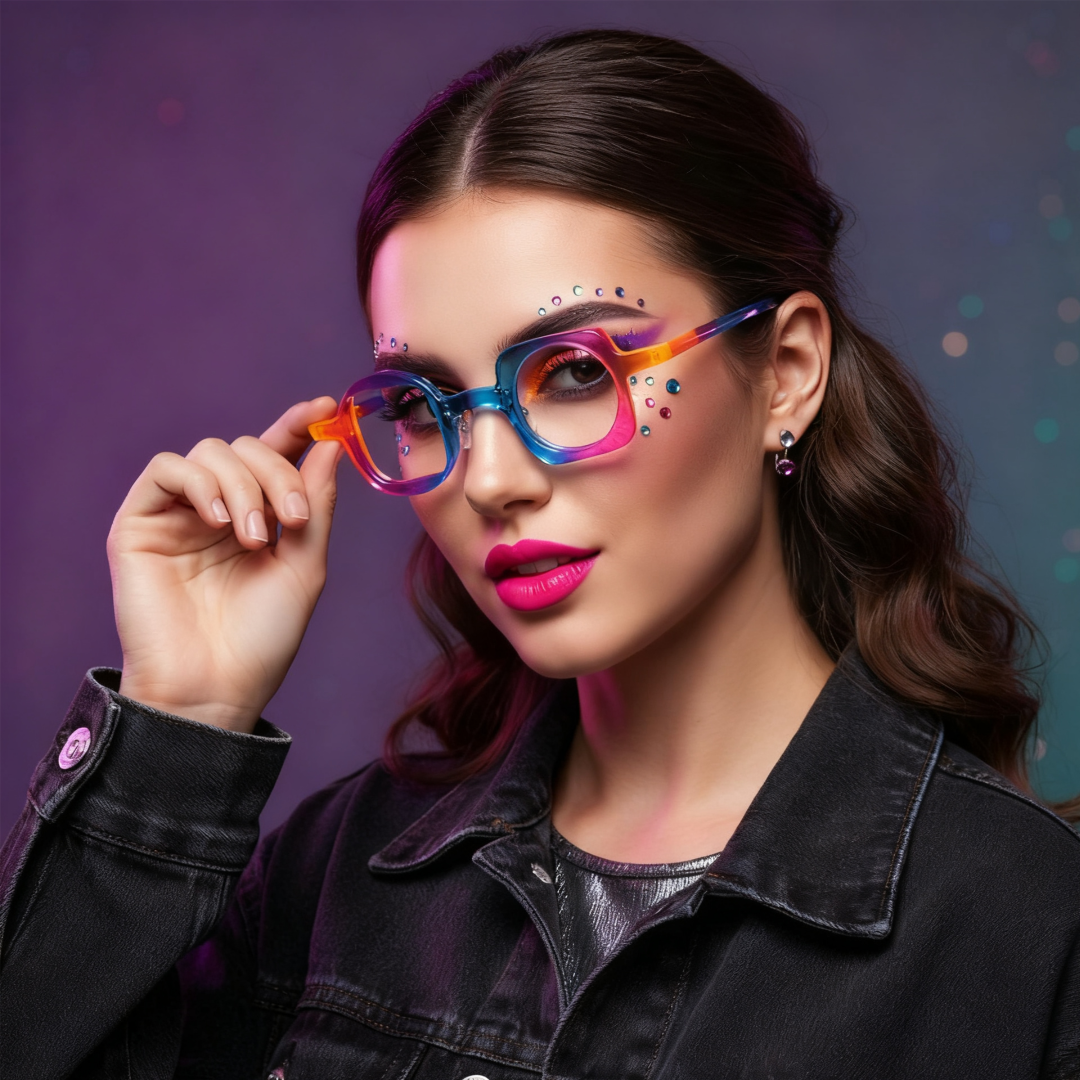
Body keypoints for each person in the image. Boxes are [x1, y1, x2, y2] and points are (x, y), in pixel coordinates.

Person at [2, 29, 1078, 1080]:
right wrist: (178, 722)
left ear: (787, 371)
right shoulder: (330, 880)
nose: (488, 480)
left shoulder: (1028, 933)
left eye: (573, 375)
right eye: (422, 405)